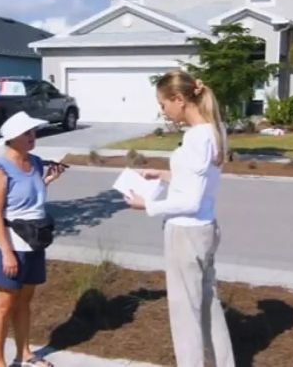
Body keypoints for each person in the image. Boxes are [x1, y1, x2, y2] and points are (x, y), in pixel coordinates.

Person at [124, 71, 235, 367]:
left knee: (185, 316)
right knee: (208, 308)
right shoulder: (215, 130)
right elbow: (196, 181)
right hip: (205, 229)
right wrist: (162, 174)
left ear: (180, 99)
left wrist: (147, 204)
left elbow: (189, 200)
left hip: (186, 235)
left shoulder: (196, 137)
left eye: (163, 104)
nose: (163, 111)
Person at [0, 111, 65, 367]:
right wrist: (6, 253)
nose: (33, 137)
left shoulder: (36, 162)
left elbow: (29, 198)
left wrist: (48, 180)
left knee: (25, 301)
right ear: (13, 138)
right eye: (27, 133)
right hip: (7, 243)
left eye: (33, 132)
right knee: (4, 304)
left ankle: (24, 353)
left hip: (33, 241)